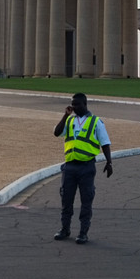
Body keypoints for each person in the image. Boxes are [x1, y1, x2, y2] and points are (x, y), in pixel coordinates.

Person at [53, 92, 112, 244]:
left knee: (86, 201)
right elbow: (56, 133)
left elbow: (105, 143)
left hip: (87, 166)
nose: (74, 107)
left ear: (85, 104)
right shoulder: (70, 121)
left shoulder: (96, 122)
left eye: (77, 104)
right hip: (70, 167)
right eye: (72, 104)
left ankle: (83, 233)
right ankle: (64, 229)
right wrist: (65, 116)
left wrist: (109, 162)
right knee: (66, 200)